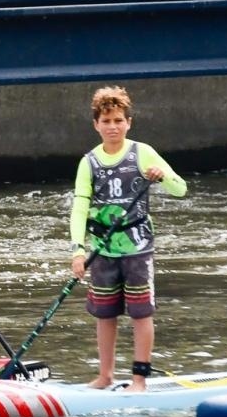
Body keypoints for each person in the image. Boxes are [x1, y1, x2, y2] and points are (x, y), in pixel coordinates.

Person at [70, 85, 186, 392]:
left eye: (118, 120)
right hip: (103, 251)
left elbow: (181, 189)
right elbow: (80, 207)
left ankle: (139, 380)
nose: (113, 127)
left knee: (140, 313)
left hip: (137, 249)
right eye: (106, 121)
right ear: (96, 124)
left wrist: (163, 176)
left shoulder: (142, 152)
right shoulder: (89, 162)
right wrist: (77, 250)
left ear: (128, 122)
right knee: (105, 315)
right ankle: (104, 376)